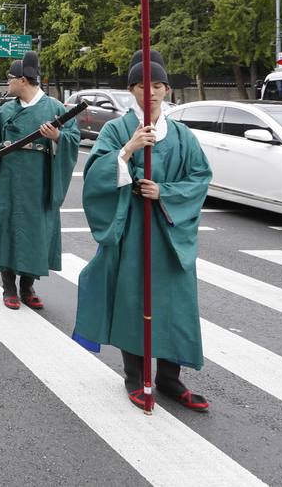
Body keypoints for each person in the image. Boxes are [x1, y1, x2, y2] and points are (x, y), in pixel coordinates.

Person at [73, 49, 212, 413]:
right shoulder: (117, 129)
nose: (150, 92)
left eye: (158, 85)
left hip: (169, 232)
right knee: (133, 300)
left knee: (174, 304)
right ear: (132, 90)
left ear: (166, 90)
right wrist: (127, 152)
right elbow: (95, 175)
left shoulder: (182, 136)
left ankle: (169, 376)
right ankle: (135, 377)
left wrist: (163, 192)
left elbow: (200, 177)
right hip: (131, 228)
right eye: (141, 85)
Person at [0, 52, 79, 310]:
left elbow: (73, 140)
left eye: (10, 78)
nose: (7, 83)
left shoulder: (55, 108)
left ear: (23, 80)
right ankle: (9, 286)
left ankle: (28, 286)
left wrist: (58, 136)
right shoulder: (6, 110)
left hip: (39, 179)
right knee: (7, 227)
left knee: (35, 232)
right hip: (8, 179)